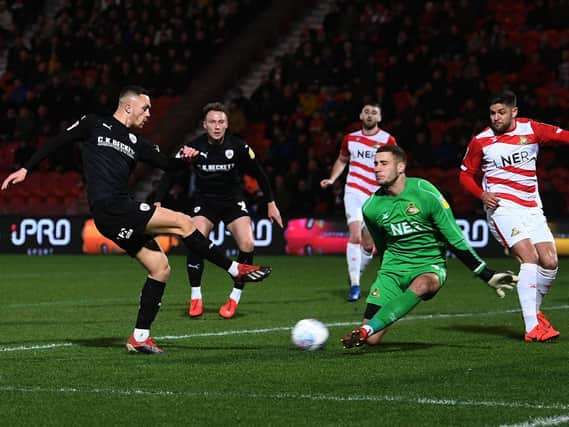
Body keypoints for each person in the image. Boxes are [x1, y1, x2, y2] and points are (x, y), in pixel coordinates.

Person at [1, 86, 272, 355]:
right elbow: (58, 140)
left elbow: (167, 164)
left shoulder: (137, 143)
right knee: (183, 222)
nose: (149, 114)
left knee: (160, 268)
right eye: (146, 108)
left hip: (116, 214)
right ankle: (234, 269)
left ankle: (140, 337)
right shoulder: (94, 124)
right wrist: (26, 167)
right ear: (128, 106)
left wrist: (188, 158)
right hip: (112, 207)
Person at [342, 145, 518, 348]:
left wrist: (486, 274)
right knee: (372, 341)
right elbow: (382, 246)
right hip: (392, 270)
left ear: (401, 167)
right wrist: (387, 277)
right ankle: (371, 329)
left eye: (384, 163)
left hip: (428, 267)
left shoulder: (425, 193)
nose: (377, 168)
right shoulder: (371, 207)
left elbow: (455, 238)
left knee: (423, 284)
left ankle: (366, 329)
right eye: (375, 163)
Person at [154, 102, 282, 319]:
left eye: (221, 121)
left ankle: (235, 297)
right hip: (204, 202)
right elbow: (169, 173)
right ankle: (196, 296)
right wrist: (157, 201)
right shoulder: (193, 148)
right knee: (196, 238)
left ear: (227, 124)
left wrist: (271, 203)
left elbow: (260, 174)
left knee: (248, 243)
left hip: (232, 201)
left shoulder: (238, 147)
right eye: (212, 122)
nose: (217, 126)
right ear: (204, 124)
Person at [460, 90, 568, 342]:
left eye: (501, 113)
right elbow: (464, 175)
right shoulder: (481, 141)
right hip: (502, 210)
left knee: (550, 262)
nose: (496, 118)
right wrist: (481, 195)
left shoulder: (531, 129)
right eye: (492, 113)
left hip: (531, 208)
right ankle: (532, 327)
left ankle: (535, 313)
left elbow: (563, 137)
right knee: (529, 257)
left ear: (514, 112)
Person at [320, 102, 397, 302]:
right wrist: (332, 179)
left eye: (374, 113)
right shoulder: (350, 139)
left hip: (377, 194)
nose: (370, 115)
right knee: (354, 235)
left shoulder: (387, 139)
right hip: (353, 191)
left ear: (379, 118)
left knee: (369, 245)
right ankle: (355, 285)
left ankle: (355, 272)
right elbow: (342, 160)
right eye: (367, 112)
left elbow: (396, 164)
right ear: (361, 115)